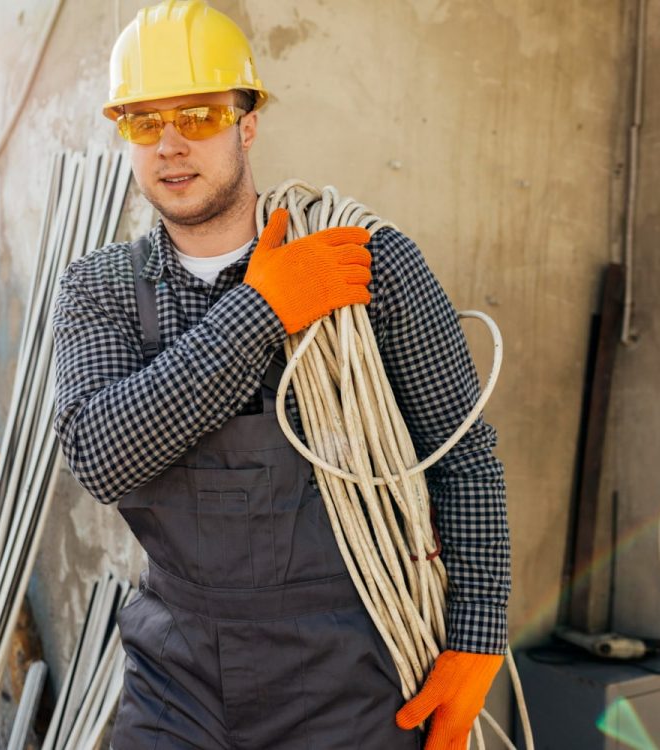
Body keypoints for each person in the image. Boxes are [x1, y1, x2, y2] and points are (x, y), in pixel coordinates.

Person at [52, 2, 511, 748]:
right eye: (143, 122)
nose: (171, 145)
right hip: (177, 677)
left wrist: (477, 639)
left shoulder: (367, 265)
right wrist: (264, 309)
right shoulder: (101, 287)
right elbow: (104, 457)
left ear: (248, 124)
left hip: (350, 677)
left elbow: (461, 457)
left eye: (198, 114)